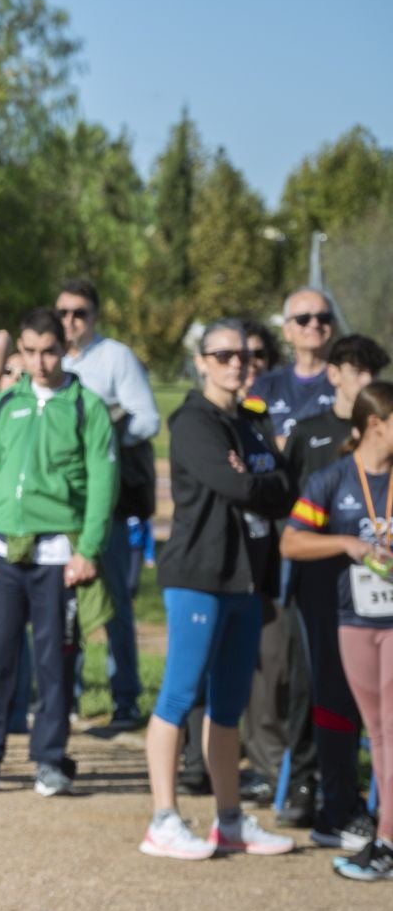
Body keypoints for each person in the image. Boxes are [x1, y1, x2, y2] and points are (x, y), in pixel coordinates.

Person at [138, 321, 297, 860]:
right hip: (198, 578)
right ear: (202, 361)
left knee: (228, 708)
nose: (237, 363)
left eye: (246, 355)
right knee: (179, 698)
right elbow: (240, 485)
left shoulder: (249, 422)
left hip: (245, 580)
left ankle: (228, 821)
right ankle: (163, 819)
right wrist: (258, 480)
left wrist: (260, 479)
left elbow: (283, 489)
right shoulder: (192, 422)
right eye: (224, 354)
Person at [0, 308, 118, 794]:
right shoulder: (6, 405)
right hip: (2, 552)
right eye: (30, 351)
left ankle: (49, 759)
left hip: (59, 559)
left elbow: (103, 485)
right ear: (20, 353)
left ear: (63, 350)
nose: (40, 361)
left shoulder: (86, 407)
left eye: (49, 351)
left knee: (56, 661)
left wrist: (87, 549)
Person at [282, 380, 393, 879]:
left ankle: (387, 837)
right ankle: (365, 824)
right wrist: (348, 544)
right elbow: (292, 543)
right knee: (374, 729)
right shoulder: (332, 480)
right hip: (350, 621)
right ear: (377, 424)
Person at [56, 277, 160, 732]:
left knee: (114, 602)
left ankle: (125, 700)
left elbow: (148, 419)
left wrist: (104, 442)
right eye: (63, 313)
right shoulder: (49, 360)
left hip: (108, 502)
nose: (70, 321)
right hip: (60, 505)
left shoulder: (115, 356)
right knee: (63, 606)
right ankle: (68, 697)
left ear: (94, 316)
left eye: (79, 312)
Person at [249, 288, 338, 445]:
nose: (315, 324)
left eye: (323, 317)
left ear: (333, 326)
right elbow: (252, 440)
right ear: (287, 331)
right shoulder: (262, 387)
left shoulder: (351, 382)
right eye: (303, 319)